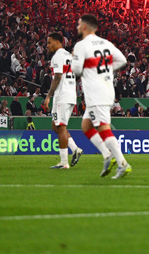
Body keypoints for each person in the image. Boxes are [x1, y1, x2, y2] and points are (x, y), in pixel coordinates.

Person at [72, 14, 131, 179]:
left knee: (104, 128)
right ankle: (106, 155)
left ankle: (122, 164)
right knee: (86, 126)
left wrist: (77, 60)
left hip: (95, 92)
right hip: (105, 89)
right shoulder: (106, 43)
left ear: (84, 27)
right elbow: (122, 60)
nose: (77, 28)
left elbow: (76, 70)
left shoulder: (81, 45)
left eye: (78, 25)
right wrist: (104, 70)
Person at [43, 32, 82, 170]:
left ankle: (64, 162)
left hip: (62, 96)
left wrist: (48, 96)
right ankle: (75, 149)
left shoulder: (58, 56)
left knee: (61, 127)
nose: (47, 46)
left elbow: (58, 77)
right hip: (68, 94)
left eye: (49, 42)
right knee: (55, 126)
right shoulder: (68, 56)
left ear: (58, 42)